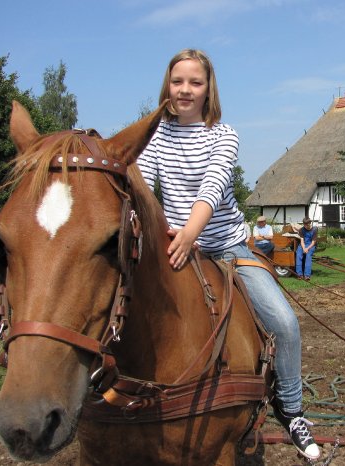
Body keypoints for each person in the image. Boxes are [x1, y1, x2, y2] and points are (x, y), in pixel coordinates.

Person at [137, 49, 320, 460]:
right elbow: (144, 187)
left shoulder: (223, 134)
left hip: (225, 246)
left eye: (195, 82)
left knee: (285, 323)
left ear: (208, 89)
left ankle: (290, 409)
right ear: (168, 85)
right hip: (171, 243)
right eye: (178, 81)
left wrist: (190, 234)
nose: (185, 89)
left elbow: (214, 187)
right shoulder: (156, 136)